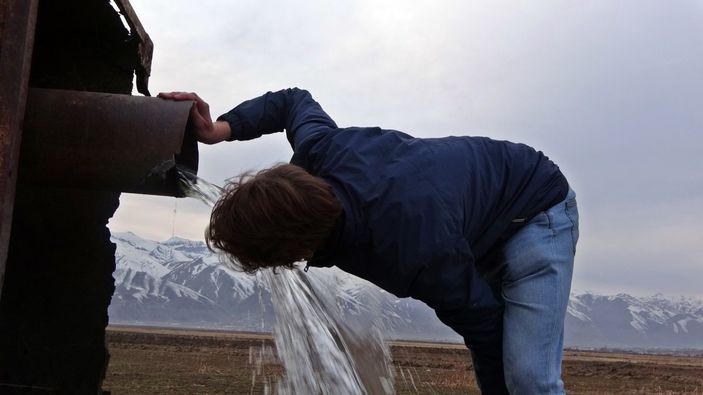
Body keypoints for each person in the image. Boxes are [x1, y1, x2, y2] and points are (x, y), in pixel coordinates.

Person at [158, 88, 579, 394]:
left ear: (295, 248)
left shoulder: (411, 252)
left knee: (529, 380)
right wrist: (220, 129)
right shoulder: (320, 152)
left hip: (535, 207)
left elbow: (485, 330)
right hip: (471, 220)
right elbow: (292, 101)